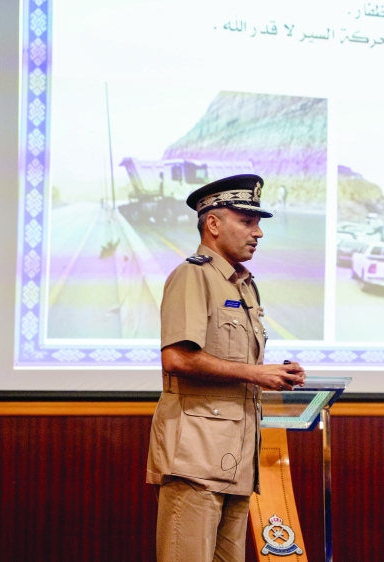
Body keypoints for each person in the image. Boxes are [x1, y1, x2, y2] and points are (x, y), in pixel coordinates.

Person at [146, 174, 306, 562]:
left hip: (235, 459)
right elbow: (177, 358)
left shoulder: (243, 284)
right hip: (195, 457)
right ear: (213, 224)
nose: (258, 233)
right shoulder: (193, 275)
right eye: (247, 222)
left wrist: (276, 374)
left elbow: (234, 363)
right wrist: (256, 373)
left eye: (258, 223)